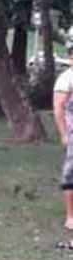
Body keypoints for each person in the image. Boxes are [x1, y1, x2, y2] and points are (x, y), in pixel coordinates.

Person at [53, 41, 73, 232]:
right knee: (71, 176)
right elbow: (58, 108)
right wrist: (64, 134)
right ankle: (70, 216)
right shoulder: (66, 78)